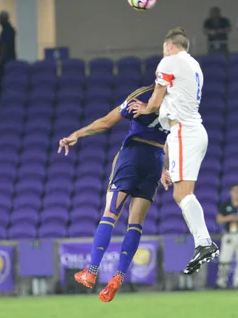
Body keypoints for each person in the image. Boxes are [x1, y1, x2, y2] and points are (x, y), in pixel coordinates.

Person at [58, 85, 170, 303]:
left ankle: (91, 271)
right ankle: (119, 276)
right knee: (136, 224)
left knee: (110, 215)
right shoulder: (178, 102)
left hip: (133, 156)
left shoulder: (142, 96)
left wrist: (76, 134)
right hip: (155, 160)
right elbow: (173, 137)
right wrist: (167, 168)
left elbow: (107, 122)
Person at [128, 27, 218, 275]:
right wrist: (165, 167)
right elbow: (171, 117)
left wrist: (144, 109)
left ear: (169, 46)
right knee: (183, 193)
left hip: (184, 132)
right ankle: (203, 242)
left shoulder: (169, 61)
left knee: (182, 194)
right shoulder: (194, 65)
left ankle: (204, 243)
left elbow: (156, 102)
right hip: (193, 131)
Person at [215, 184, 238, 289]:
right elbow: (219, 219)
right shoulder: (225, 204)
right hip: (229, 234)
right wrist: (229, 218)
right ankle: (221, 282)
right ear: (230, 192)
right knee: (224, 259)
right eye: (234, 191)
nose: (236, 193)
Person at [0, 11, 17, 104]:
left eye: (0, 18)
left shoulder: (8, 31)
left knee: (1, 81)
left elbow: (5, 46)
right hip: (5, 60)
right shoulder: (7, 30)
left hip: (6, 61)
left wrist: (2, 59)